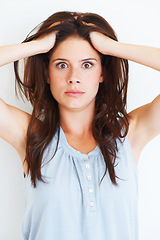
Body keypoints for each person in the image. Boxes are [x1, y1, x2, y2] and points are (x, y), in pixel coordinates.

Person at [0, 11, 160, 240]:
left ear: (102, 73)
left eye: (87, 64)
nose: (74, 77)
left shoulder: (130, 134)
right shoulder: (29, 136)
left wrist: (111, 47)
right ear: (47, 73)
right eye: (61, 65)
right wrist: (38, 45)